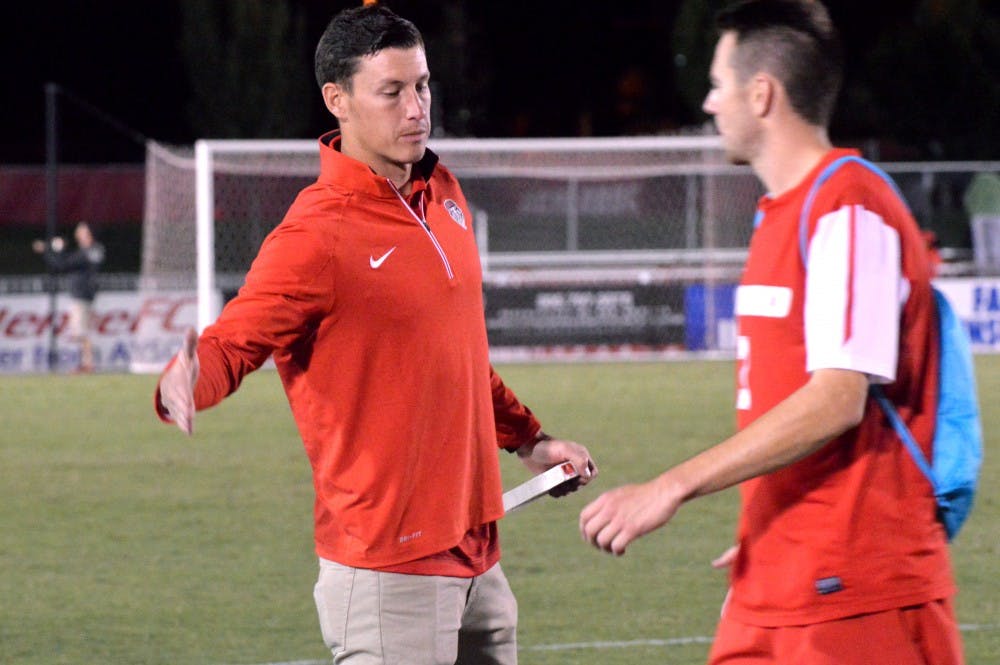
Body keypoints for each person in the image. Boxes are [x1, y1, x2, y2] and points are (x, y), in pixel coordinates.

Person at [155, 5, 597, 664]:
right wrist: (185, 380)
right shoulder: (316, 234)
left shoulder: (444, 191)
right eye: (391, 92)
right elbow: (236, 339)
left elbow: (461, 359)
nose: (416, 107)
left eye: (421, 86)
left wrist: (531, 439)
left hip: (479, 557)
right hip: (390, 571)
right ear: (338, 100)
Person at [579, 2, 962, 663]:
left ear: (762, 94)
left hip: (855, 590)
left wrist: (669, 485)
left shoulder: (849, 205)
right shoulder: (782, 213)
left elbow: (837, 397)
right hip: (781, 575)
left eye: (718, 82)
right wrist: (770, 529)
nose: (708, 102)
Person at [33, 220, 106, 373]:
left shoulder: (91, 251)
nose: (79, 235)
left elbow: (63, 264)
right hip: (83, 295)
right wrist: (53, 249)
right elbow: (68, 261)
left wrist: (51, 250)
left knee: (80, 332)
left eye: (82, 232)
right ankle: (86, 363)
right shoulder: (88, 251)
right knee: (79, 332)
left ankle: (88, 364)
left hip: (82, 296)